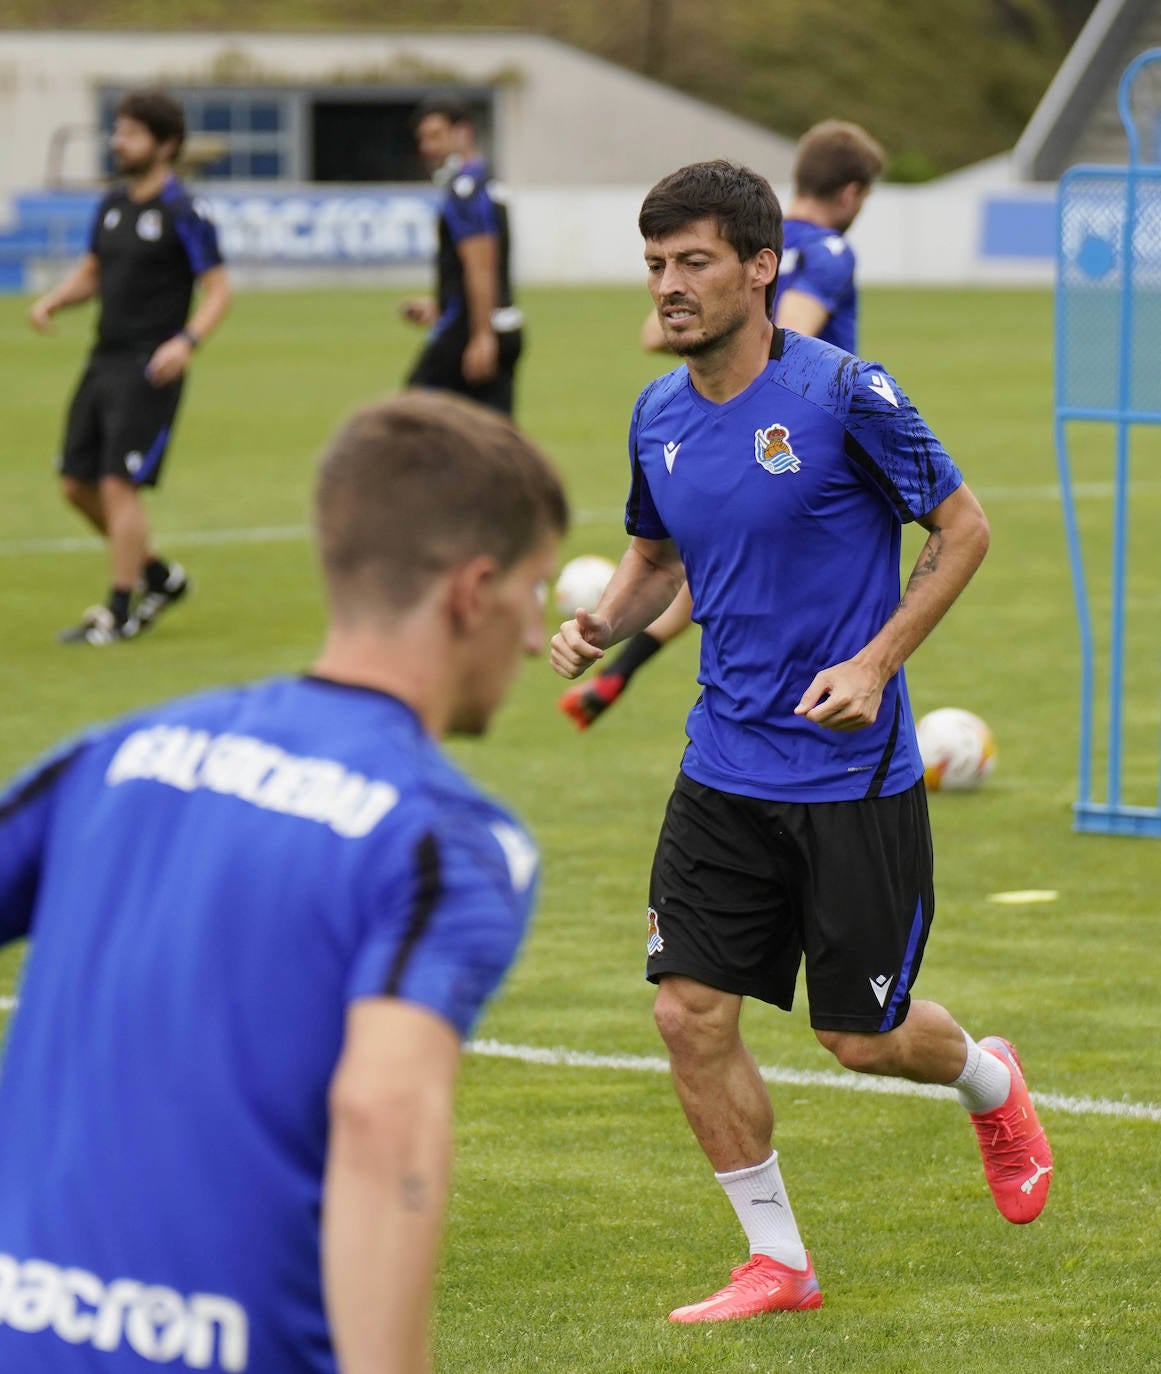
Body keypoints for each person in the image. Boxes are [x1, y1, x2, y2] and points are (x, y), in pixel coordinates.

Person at [551, 161, 1052, 1322]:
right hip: (722, 763)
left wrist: (877, 664)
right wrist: (598, 625)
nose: (669, 289)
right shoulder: (658, 414)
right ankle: (778, 1261)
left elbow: (964, 528)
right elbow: (656, 559)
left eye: (693, 263)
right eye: (656, 266)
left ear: (762, 267)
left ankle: (991, 1081)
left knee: (859, 1037)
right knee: (686, 1012)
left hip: (848, 773)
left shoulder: (845, 395)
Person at [0, 390, 568, 1372]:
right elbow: (384, 1118)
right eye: (534, 590)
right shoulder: (447, 842)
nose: (532, 638)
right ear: (473, 592)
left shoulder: (117, 753)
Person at [560, 120, 884, 729]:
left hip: (732, 419)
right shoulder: (826, 253)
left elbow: (653, 334)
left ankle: (617, 676)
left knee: (708, 571)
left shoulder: (746, 240)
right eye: (657, 266)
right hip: (789, 433)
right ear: (851, 193)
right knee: (730, 577)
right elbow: (792, 333)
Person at [28, 88, 231, 646]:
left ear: (164, 145)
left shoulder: (183, 210)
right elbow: (93, 272)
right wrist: (53, 300)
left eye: (131, 133)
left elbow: (218, 290)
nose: (118, 141)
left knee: (119, 483)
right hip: (104, 357)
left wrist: (186, 341)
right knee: (76, 484)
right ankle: (158, 577)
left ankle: (119, 610)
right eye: (117, 131)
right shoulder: (113, 204)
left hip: (150, 366)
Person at [401, 97, 523, 416]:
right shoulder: (486, 181)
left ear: (463, 132)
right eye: (423, 139)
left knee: (412, 418)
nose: (428, 147)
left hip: (473, 330)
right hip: (498, 323)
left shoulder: (465, 189)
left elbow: (480, 266)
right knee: (490, 437)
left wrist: (481, 334)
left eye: (436, 136)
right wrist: (441, 305)